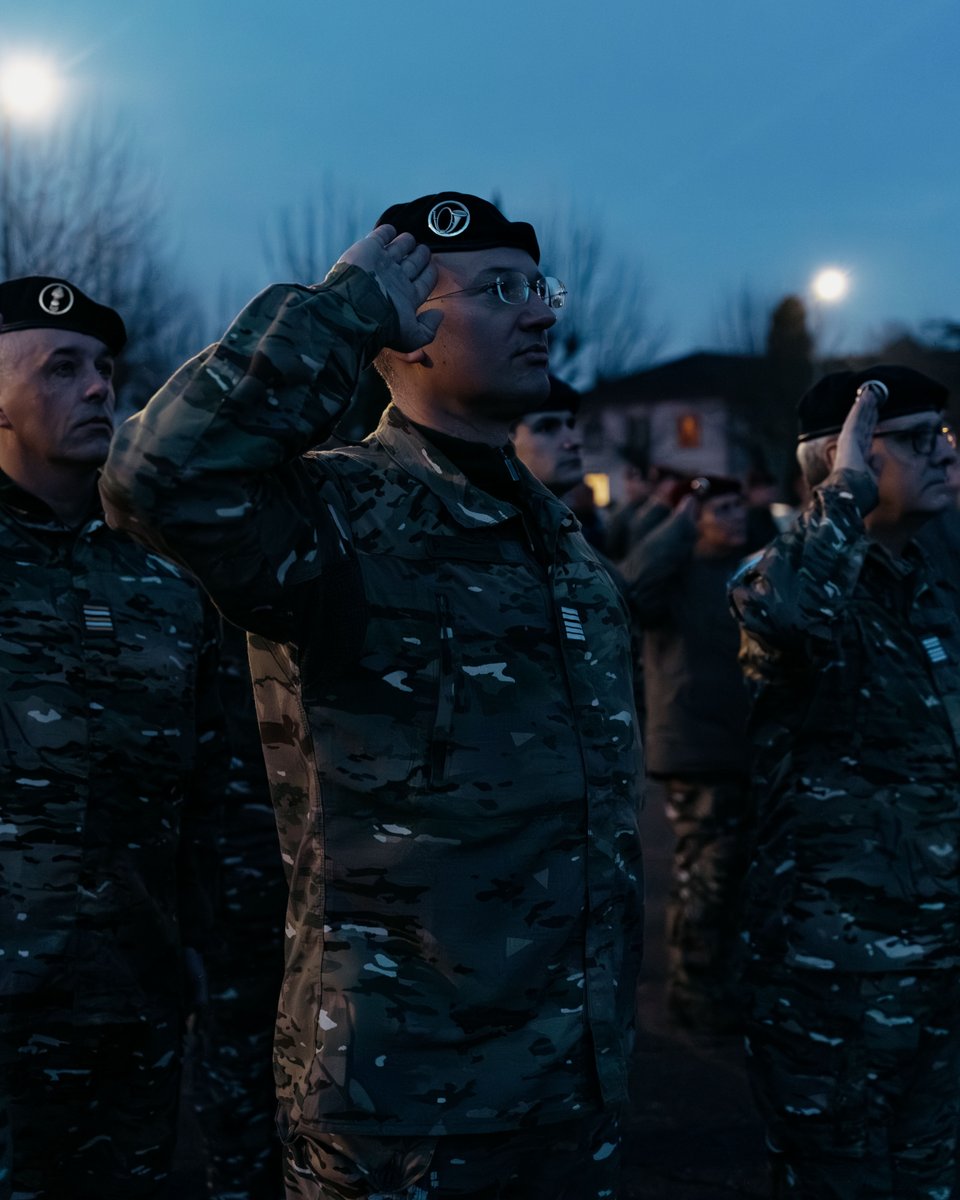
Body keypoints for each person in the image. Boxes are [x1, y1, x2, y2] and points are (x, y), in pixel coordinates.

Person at [100, 193, 644, 1200]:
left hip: (574, 1085)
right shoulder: (339, 508)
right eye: (497, 292)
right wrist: (337, 310)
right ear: (405, 329)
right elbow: (155, 477)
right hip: (406, 1101)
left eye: (539, 288)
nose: (540, 314)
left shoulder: (560, 542)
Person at [0, 276, 225, 1198]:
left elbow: (214, 793)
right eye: (62, 367)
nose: (100, 388)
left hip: (132, 998)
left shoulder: (165, 582)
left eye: (104, 368)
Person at [729, 365, 960, 1197]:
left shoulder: (930, 585)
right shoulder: (790, 581)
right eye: (911, 439)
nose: (941, 453)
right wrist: (846, 491)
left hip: (939, 957)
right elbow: (787, 611)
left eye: (943, 434)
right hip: (834, 976)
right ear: (843, 459)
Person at [620, 474, 753, 1034]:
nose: (734, 517)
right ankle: (693, 994)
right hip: (695, 750)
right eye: (719, 508)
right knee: (707, 877)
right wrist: (680, 512)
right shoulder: (673, 576)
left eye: (737, 506)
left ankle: (720, 987)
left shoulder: (745, 572)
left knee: (736, 879)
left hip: (741, 747)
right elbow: (631, 587)